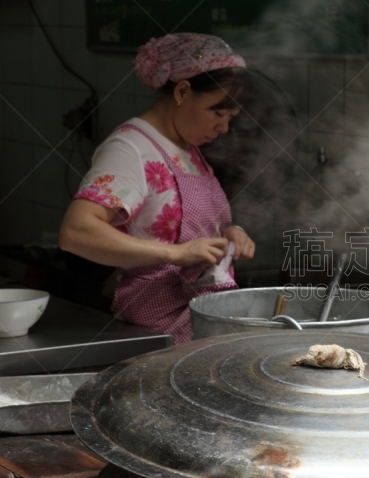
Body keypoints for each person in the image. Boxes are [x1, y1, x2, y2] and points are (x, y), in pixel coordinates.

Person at [59, 33, 256, 344]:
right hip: (155, 334)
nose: (224, 128)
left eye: (230, 118)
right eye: (217, 114)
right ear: (182, 91)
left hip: (200, 325)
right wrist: (174, 254)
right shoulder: (131, 148)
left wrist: (231, 234)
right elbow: (76, 232)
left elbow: (187, 229)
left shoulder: (188, 148)